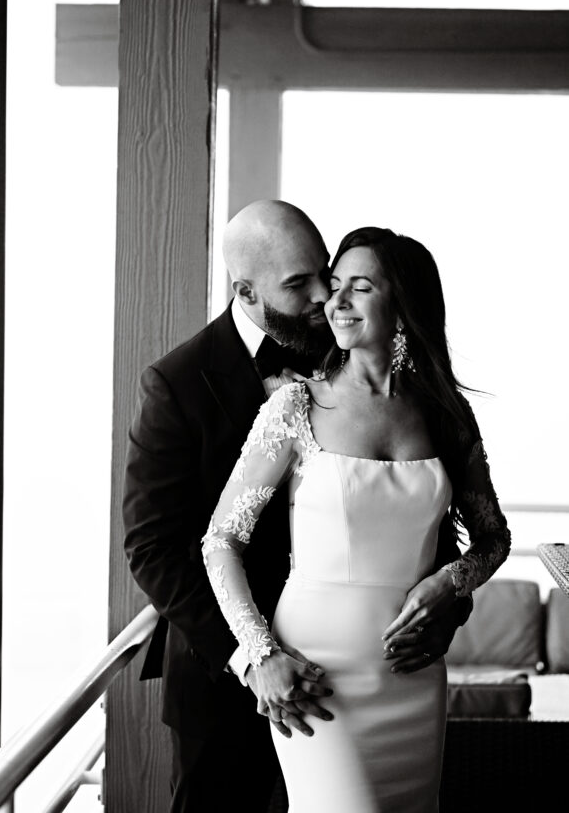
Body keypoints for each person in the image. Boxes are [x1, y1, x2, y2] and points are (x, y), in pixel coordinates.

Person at [123, 204, 474, 813]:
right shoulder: (176, 383)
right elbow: (153, 548)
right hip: (225, 682)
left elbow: (420, 511)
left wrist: (449, 602)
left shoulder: (356, 345)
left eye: (324, 274)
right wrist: (254, 658)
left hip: (385, 673)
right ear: (246, 292)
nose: (322, 297)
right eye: (298, 284)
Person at [202, 225, 511, 812]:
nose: (335, 301)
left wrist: (451, 582)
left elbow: (493, 538)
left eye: (360, 287)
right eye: (335, 284)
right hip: (315, 675)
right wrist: (261, 655)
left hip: (412, 673)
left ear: (403, 305)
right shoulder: (295, 406)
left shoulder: (446, 412)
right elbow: (220, 540)